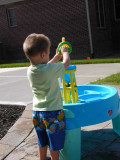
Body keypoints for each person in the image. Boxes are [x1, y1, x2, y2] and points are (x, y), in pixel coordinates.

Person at [23, 33, 70, 160]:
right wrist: (65, 52)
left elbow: (46, 66)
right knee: (54, 142)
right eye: (48, 53)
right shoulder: (49, 70)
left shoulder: (30, 70)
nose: (49, 55)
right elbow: (66, 63)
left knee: (42, 139)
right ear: (43, 54)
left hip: (37, 113)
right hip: (53, 113)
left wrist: (55, 57)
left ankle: (42, 158)